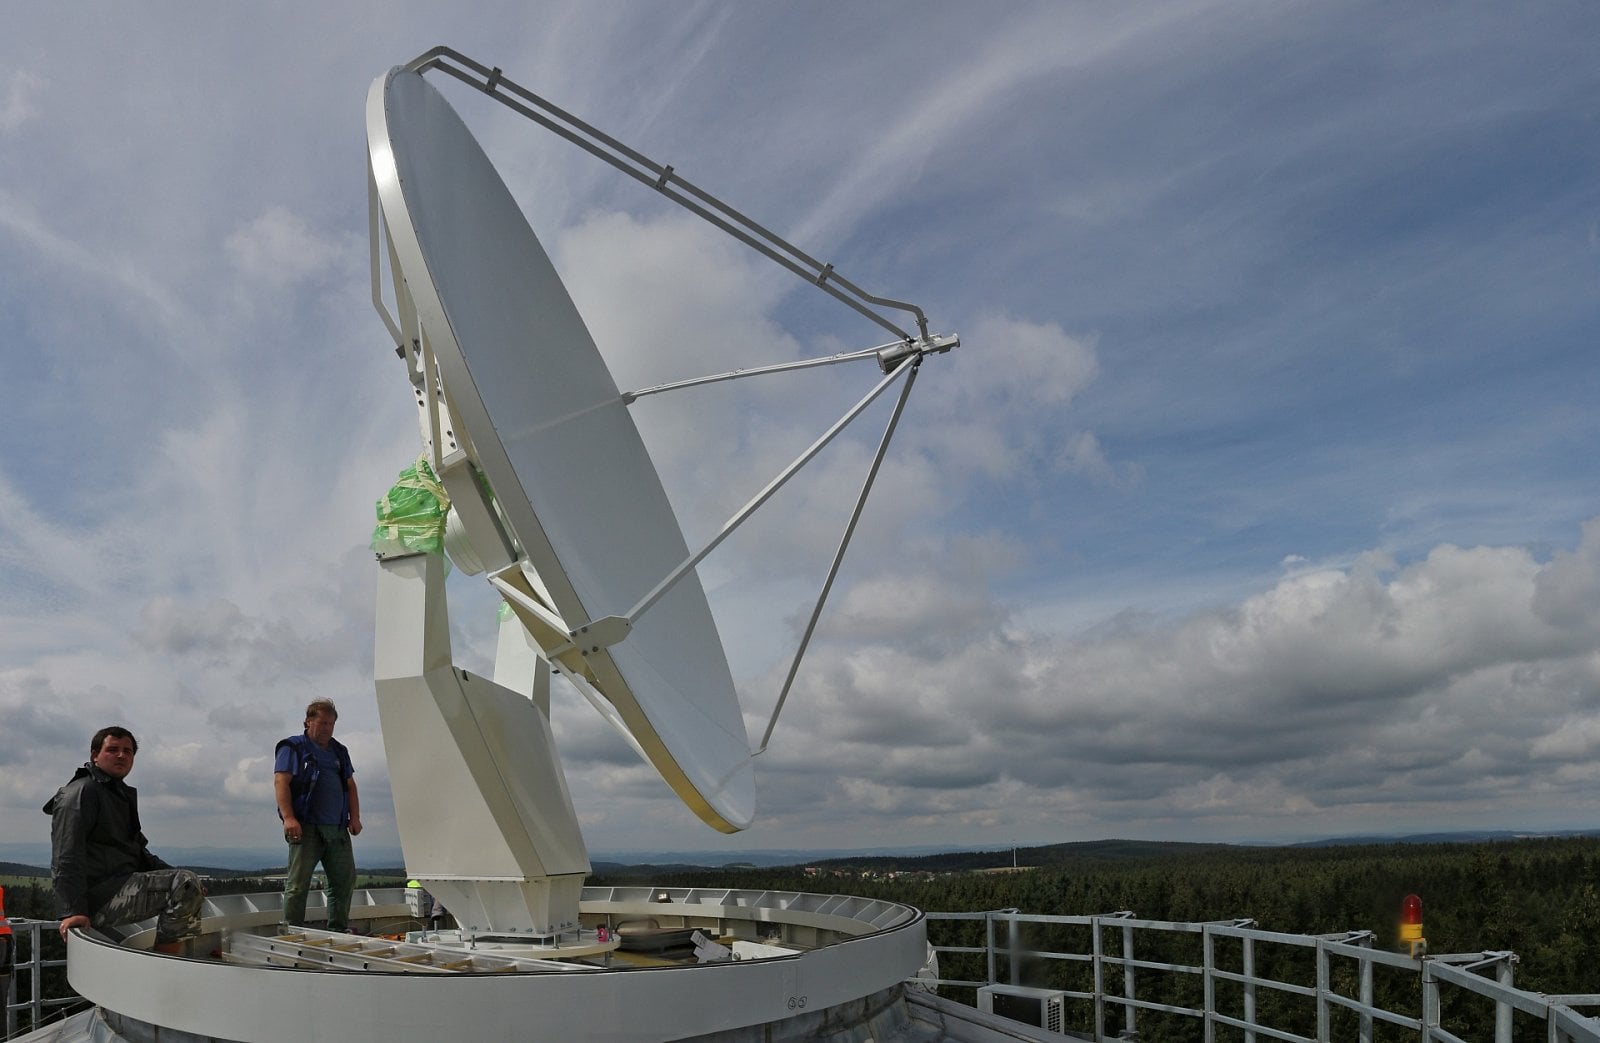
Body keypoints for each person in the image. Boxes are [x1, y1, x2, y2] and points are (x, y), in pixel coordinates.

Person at [43, 726, 202, 953]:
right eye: (112, 749)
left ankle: (168, 959)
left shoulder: (118, 794)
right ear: (94, 755)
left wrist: (185, 881)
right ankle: (165, 965)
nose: (121, 755)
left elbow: (138, 852)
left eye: (128, 751)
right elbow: (66, 854)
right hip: (98, 896)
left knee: (186, 883)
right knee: (185, 883)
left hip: (119, 885)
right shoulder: (81, 792)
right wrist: (72, 910)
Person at [274, 699, 361, 931]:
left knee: (344, 881)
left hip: (337, 828)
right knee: (297, 884)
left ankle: (338, 929)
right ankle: (291, 930)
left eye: (331, 724)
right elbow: (281, 781)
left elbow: (350, 785)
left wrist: (355, 817)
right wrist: (289, 818)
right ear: (308, 722)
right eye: (322, 723)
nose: (327, 728)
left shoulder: (339, 751)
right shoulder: (292, 747)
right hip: (306, 826)